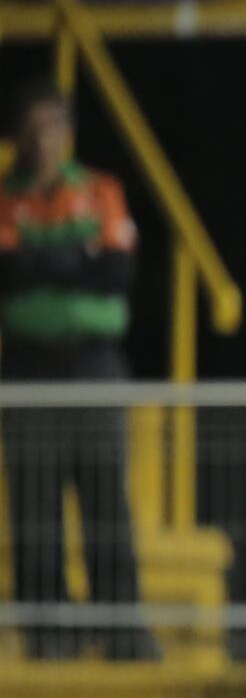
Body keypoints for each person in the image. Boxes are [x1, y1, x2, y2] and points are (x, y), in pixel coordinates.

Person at [0, 88, 149, 661]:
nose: (44, 140)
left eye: (54, 127)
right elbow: (7, 272)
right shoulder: (6, 199)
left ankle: (121, 628)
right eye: (34, 127)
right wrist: (74, 258)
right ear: (19, 135)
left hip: (94, 365)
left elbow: (116, 271)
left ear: (68, 132)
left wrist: (40, 262)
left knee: (107, 497)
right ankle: (48, 635)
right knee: (35, 504)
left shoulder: (100, 190)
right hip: (27, 366)